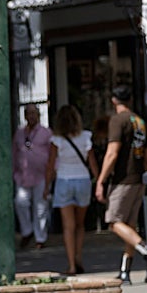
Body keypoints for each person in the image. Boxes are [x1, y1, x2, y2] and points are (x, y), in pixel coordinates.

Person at [95, 85, 147, 285]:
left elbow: (112, 153)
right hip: (138, 178)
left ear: (113, 100)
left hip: (123, 179)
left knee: (113, 221)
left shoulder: (118, 121)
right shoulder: (139, 122)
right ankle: (125, 270)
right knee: (130, 225)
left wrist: (101, 180)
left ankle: (146, 250)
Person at [46, 105, 99, 275]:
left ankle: (71, 264)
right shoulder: (86, 137)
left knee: (68, 226)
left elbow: (51, 165)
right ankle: (78, 257)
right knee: (80, 225)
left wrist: (46, 186)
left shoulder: (57, 140)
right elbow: (92, 163)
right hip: (83, 181)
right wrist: (99, 182)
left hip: (64, 181)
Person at [12, 104, 52, 249]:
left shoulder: (46, 133)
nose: (32, 116)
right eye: (29, 114)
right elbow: (14, 152)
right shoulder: (20, 133)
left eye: (34, 113)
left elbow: (53, 154)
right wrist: (13, 170)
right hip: (23, 175)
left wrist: (52, 172)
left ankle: (40, 237)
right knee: (20, 203)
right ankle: (27, 231)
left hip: (41, 175)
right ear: (25, 116)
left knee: (41, 207)